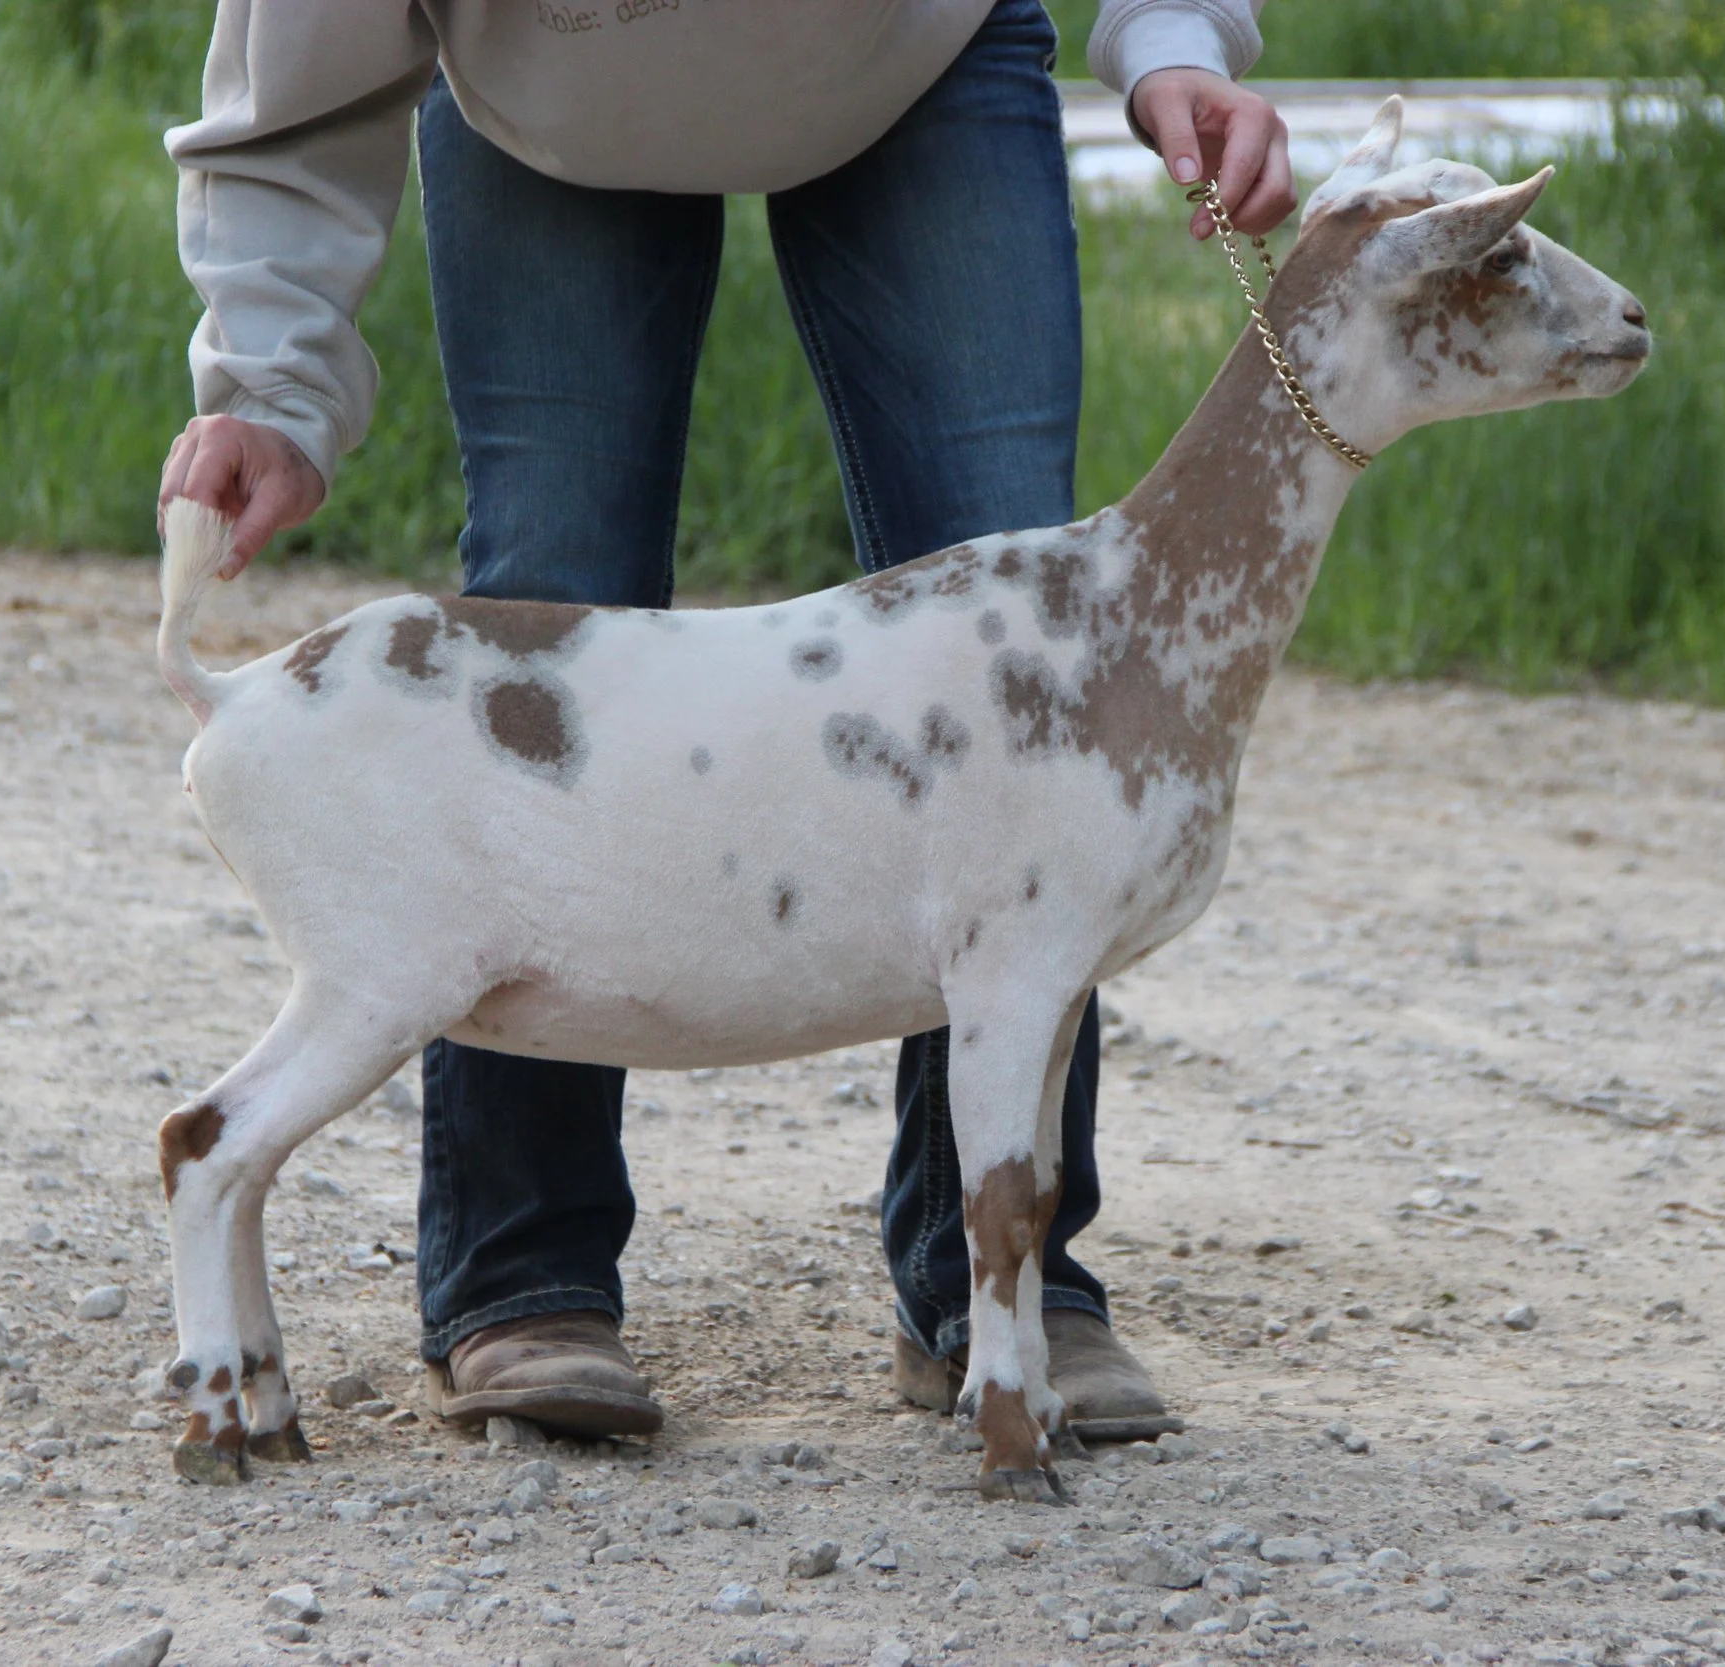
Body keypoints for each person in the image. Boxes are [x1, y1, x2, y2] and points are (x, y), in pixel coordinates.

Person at [157, 0, 1293, 1443]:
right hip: (552, 104)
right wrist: (271, 376)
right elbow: (298, 70)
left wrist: (1173, 32)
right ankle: (524, 1273)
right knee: (553, 588)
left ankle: (1005, 1285)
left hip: (918, 52)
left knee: (1025, 668)